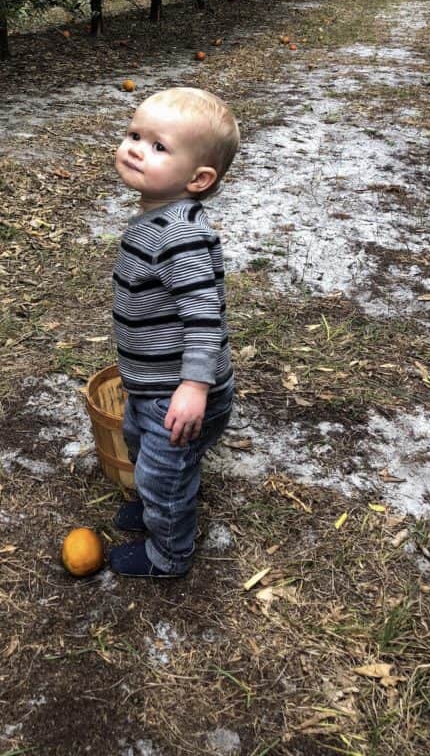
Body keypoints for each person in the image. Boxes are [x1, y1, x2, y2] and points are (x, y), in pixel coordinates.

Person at [109, 86, 240, 578]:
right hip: (153, 386)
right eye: (134, 134)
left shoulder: (177, 235)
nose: (136, 148)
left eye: (159, 146)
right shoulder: (156, 216)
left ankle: (169, 555)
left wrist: (194, 385)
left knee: (166, 474)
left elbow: (206, 316)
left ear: (199, 178)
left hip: (177, 393)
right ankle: (153, 507)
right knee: (143, 450)